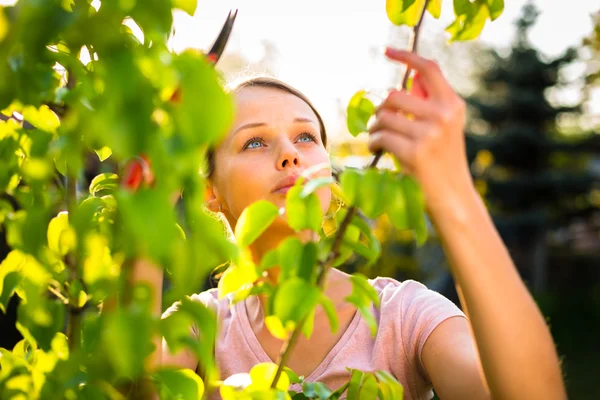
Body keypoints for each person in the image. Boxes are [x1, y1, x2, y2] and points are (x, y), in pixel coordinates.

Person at [133, 47, 566, 400]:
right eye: (254, 141)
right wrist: (146, 210)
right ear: (209, 191)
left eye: (306, 136)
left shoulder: (403, 318)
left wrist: (453, 193)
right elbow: (132, 385)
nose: (290, 155)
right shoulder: (199, 326)